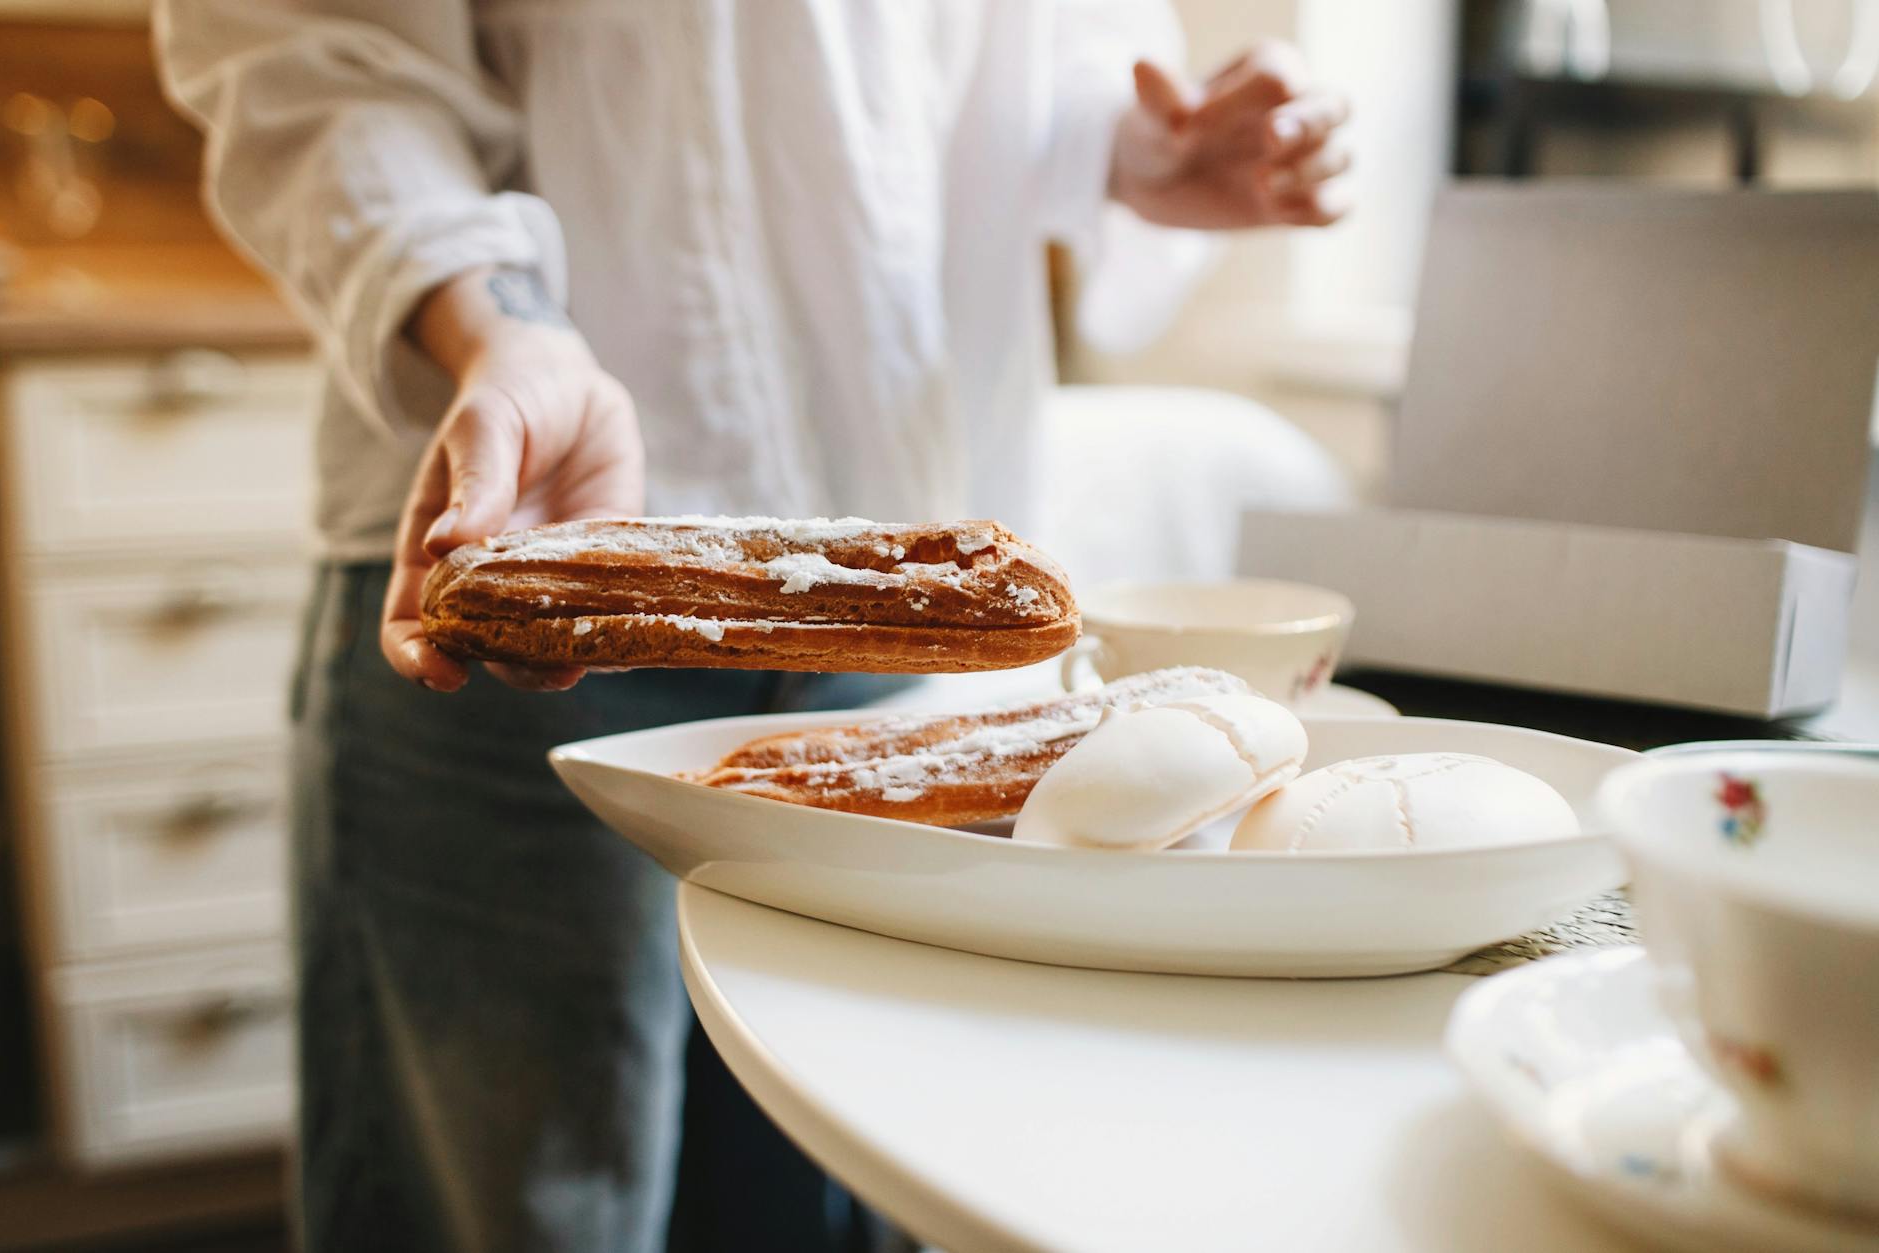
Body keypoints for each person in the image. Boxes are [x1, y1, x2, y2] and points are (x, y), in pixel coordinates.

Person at [154, 3, 1351, 1250]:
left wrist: (1148, 146)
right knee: (518, 1208)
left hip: (901, 620)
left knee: (827, 1188)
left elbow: (1031, 63)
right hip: (525, 538)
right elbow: (312, 60)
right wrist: (503, 324)